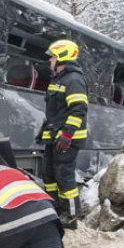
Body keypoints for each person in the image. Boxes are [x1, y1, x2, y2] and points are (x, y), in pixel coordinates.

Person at [36, 39, 88, 229]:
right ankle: (55, 207)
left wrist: (67, 135)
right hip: (55, 137)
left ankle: (72, 215)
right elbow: (56, 112)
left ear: (61, 58)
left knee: (64, 176)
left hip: (68, 140)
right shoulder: (58, 80)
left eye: (52, 58)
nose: (50, 61)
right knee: (49, 174)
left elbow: (79, 110)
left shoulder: (73, 80)